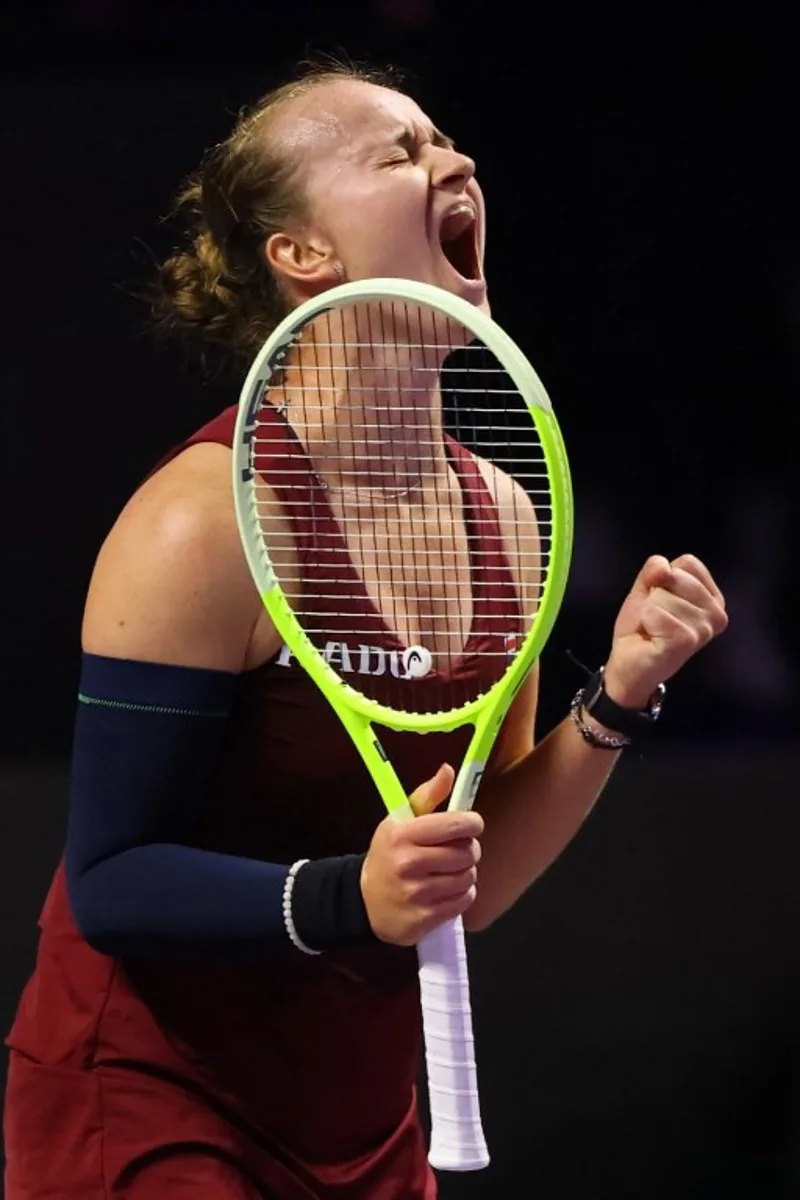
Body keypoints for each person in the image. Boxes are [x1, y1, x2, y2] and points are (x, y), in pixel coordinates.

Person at [2, 61, 728, 1199]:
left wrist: (618, 695)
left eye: (446, 140)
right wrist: (353, 897)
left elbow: (468, 887)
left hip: (365, 1118)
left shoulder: (502, 510)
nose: (457, 162)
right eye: (399, 151)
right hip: (151, 1103)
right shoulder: (203, 523)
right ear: (302, 253)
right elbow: (110, 879)